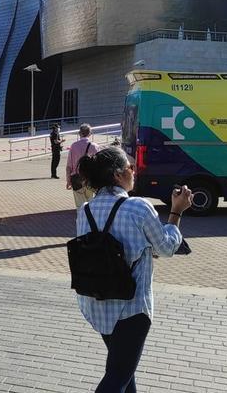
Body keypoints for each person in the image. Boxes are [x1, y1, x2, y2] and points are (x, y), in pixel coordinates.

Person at [76, 147, 192, 392]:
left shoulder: (85, 210)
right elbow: (167, 248)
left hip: (96, 303)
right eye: (130, 167)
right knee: (118, 376)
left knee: (123, 370)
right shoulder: (139, 207)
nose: (134, 171)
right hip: (131, 308)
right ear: (118, 175)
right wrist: (176, 212)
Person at [66, 123, 99, 208]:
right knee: (91, 204)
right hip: (90, 179)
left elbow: (69, 166)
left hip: (76, 179)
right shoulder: (95, 146)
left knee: (80, 206)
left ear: (79, 133)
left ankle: (81, 220)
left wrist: (68, 180)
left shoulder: (74, 146)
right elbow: (99, 165)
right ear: (90, 133)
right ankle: (90, 220)